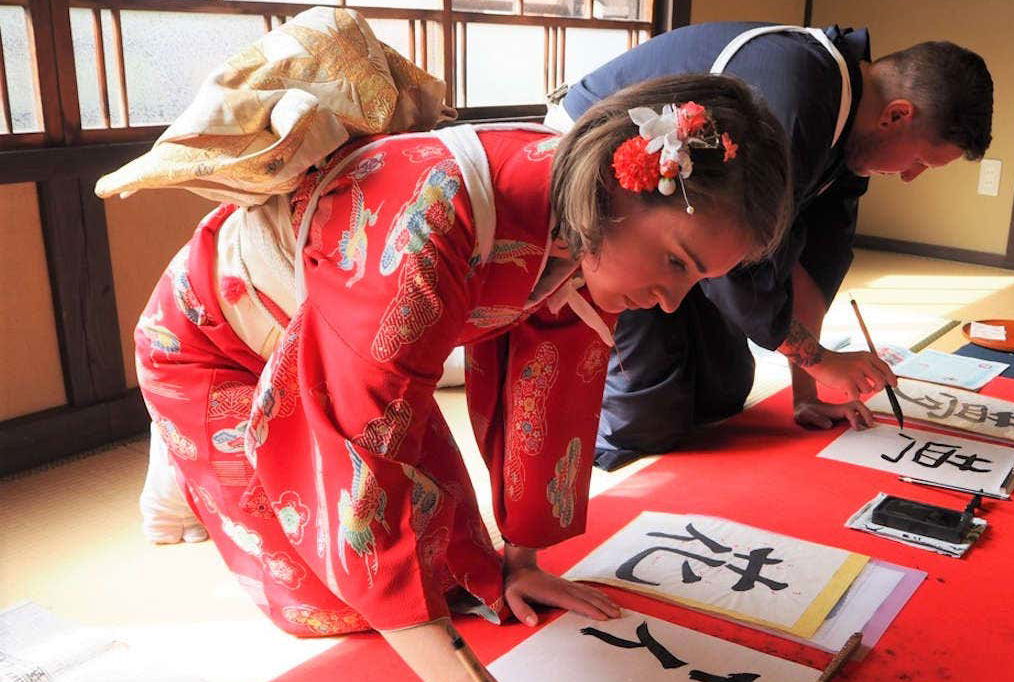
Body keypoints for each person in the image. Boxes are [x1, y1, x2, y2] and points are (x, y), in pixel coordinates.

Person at [105, 12, 792, 679]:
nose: (672, 301)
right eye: (677, 262)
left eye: (696, 280)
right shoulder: (423, 216)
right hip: (214, 344)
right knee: (333, 604)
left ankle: (209, 456)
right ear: (621, 183)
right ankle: (188, 452)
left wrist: (522, 562)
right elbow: (357, 451)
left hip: (347, 342)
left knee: (458, 569)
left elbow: (549, 393)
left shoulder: (587, 226)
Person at [549, 22, 995, 470]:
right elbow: (738, 259)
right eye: (919, 161)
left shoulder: (849, 138)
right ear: (897, 115)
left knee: (725, 389)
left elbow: (811, 266)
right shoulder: (797, 96)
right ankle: (577, 446)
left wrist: (808, 392)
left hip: (698, 235)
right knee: (647, 414)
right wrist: (819, 358)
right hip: (626, 208)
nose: (909, 176)